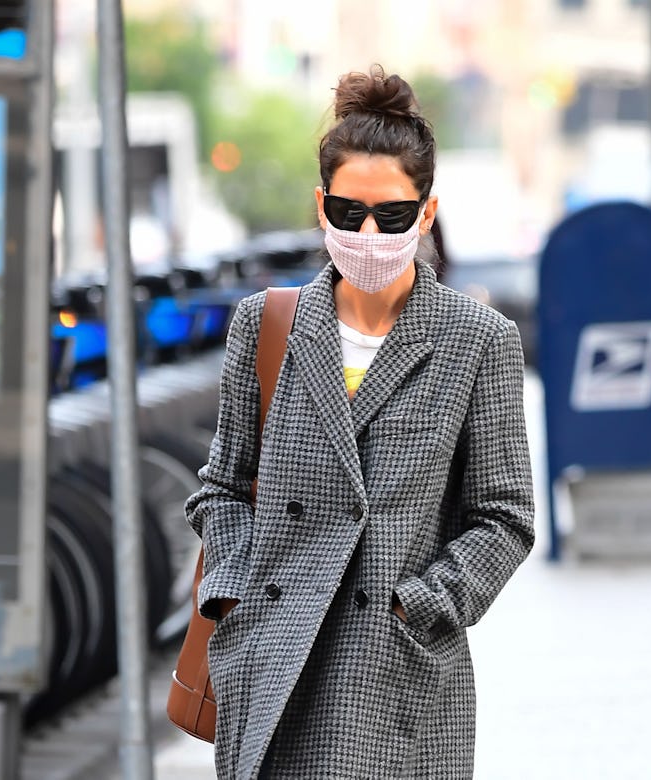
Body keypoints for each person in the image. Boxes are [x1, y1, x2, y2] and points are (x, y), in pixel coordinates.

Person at [185, 64, 535, 779]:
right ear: (322, 207)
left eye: (392, 215)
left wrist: (422, 605)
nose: (369, 231)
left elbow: (505, 517)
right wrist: (238, 588)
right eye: (349, 213)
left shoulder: (478, 340)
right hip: (274, 659)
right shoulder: (266, 325)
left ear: (426, 215)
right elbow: (222, 487)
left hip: (396, 669)